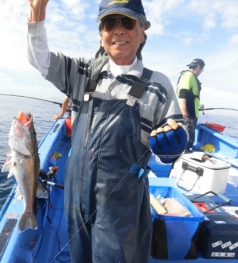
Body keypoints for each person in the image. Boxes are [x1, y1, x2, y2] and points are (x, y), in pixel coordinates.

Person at [27, 0, 187, 262]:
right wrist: (37, 11)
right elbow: (39, 59)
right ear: (101, 33)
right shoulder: (82, 73)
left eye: (127, 22)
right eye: (110, 23)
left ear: (142, 30)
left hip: (122, 208)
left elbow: (169, 147)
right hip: (75, 198)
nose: (118, 30)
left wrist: (172, 148)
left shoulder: (158, 84)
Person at [177, 58, 205, 152]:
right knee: (188, 132)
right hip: (189, 111)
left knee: (190, 131)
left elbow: (192, 95)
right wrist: (183, 108)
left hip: (193, 111)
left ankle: (185, 149)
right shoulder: (188, 75)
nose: (201, 72)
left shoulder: (192, 77)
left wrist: (199, 107)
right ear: (198, 67)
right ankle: (184, 150)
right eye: (202, 70)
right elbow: (183, 92)